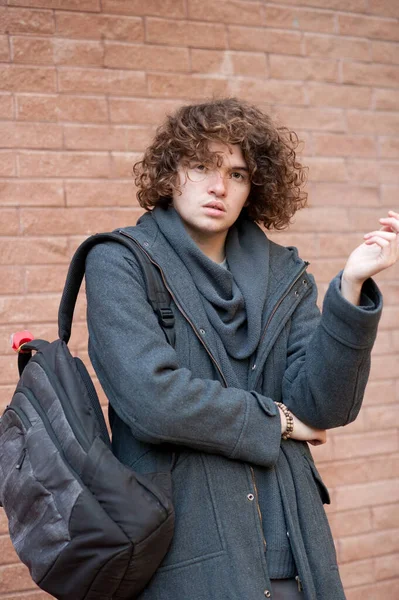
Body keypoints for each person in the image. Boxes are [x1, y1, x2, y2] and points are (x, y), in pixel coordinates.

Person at [85, 98, 398, 600]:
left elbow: (323, 406)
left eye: (237, 174)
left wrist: (351, 289)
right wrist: (278, 421)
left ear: (255, 188)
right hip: (184, 558)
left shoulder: (285, 274)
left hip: (295, 552)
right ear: (169, 175)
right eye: (201, 167)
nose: (218, 187)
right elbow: (152, 400)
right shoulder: (119, 262)